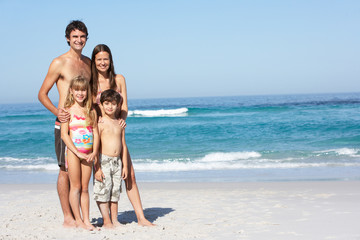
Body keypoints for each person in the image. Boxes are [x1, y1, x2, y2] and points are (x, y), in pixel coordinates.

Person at [90, 44, 155, 226]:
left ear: (110, 60)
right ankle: (104, 219)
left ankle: (141, 218)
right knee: (103, 179)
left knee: (130, 175)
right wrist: (98, 120)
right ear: (94, 61)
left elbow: (124, 105)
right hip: (100, 131)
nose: (103, 63)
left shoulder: (119, 79)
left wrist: (121, 120)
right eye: (99, 59)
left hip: (117, 129)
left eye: (106, 59)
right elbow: (89, 106)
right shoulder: (91, 82)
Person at [38, 20, 91, 227]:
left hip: (85, 125)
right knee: (65, 170)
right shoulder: (59, 62)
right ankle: (68, 217)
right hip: (66, 124)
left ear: (86, 38)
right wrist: (57, 112)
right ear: (68, 39)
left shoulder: (87, 63)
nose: (79, 40)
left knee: (82, 170)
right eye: (75, 36)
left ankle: (81, 217)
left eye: (82, 36)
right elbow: (42, 94)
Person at [61, 76, 99, 230]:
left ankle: (87, 220)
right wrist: (77, 152)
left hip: (88, 153)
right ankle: (78, 219)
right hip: (74, 153)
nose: (80, 93)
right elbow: (64, 135)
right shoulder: (67, 111)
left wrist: (94, 152)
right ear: (71, 91)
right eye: (77, 89)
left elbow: (95, 133)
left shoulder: (91, 111)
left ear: (87, 91)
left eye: (83, 90)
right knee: (75, 187)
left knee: (85, 188)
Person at [93, 89, 128, 228]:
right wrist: (97, 168)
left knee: (115, 192)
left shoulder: (120, 123)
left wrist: (125, 165)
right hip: (104, 161)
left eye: (113, 104)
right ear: (101, 104)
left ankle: (114, 220)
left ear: (118, 105)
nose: (110, 106)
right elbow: (95, 148)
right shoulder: (100, 123)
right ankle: (106, 220)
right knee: (103, 191)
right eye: (107, 103)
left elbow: (124, 146)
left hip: (117, 162)